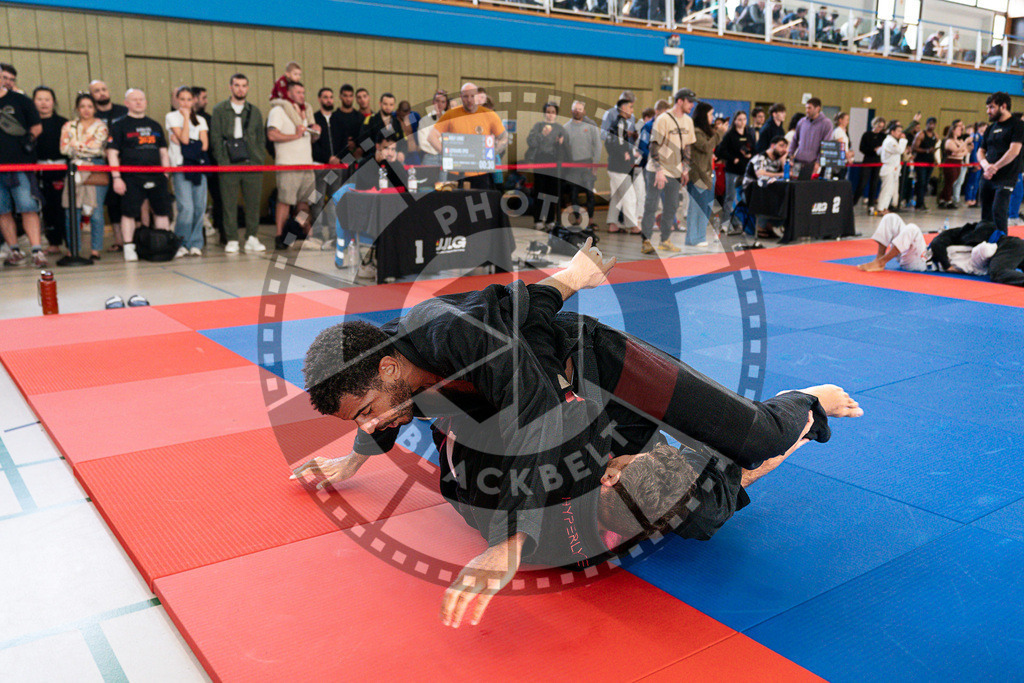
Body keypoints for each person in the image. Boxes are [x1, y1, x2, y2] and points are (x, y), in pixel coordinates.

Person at [293, 242, 851, 626]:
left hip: (592, 366)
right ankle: (642, 451)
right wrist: (354, 461)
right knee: (617, 486)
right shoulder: (385, 359)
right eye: (356, 422)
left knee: (752, 439)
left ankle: (807, 399)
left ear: (390, 368)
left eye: (366, 411)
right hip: (551, 395)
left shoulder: (450, 339)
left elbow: (543, 415)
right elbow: (503, 313)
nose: (372, 424)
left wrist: (510, 543)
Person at [106, 88, 172, 262]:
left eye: (141, 99)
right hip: (131, 177)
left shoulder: (155, 125)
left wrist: (166, 174)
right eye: (134, 99)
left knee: (162, 211)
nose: (138, 102)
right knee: (128, 212)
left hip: (157, 176)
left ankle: (162, 243)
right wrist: (116, 177)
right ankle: (129, 247)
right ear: (127, 103)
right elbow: (112, 154)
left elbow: (164, 152)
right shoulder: (119, 125)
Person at [209, 73, 267, 254]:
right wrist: (222, 159)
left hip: (252, 163)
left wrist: (258, 158)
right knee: (229, 203)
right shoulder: (219, 110)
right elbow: (215, 137)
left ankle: (252, 237)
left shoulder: (255, 111)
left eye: (244, 85)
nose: (240, 89)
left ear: (248, 88)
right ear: (230, 87)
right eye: (237, 85)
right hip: (228, 164)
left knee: (253, 203)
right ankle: (232, 238)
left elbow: (260, 138)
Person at [641, 88, 696, 254]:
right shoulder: (663, 119)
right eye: (689, 102)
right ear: (680, 101)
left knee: (671, 207)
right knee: (651, 205)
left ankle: (665, 240)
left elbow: (687, 146)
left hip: (676, 171)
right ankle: (646, 241)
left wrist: (685, 169)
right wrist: (658, 170)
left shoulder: (688, 121)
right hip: (657, 171)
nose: (692, 105)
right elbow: (653, 145)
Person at [0, 65, 45, 267]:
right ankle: (14, 251)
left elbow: (36, 126)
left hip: (19, 164)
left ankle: (37, 251)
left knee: (27, 206)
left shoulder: (20, 100)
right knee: (2, 209)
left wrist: (30, 139)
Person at [267, 81, 319, 250]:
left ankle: (300, 233)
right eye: (298, 92)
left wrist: (315, 132)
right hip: (288, 164)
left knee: (305, 202)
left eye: (303, 92)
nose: (302, 96)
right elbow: (272, 134)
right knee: (285, 201)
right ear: (288, 93)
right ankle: (280, 235)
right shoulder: (278, 111)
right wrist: (295, 135)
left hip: (306, 163)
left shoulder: (305, 113)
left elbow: (307, 137)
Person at [427, 82, 507, 191]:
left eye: (472, 96)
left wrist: (492, 153)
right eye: (465, 96)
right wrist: (446, 153)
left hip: (480, 172)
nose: (469, 100)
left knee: (479, 205)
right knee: (456, 205)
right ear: (461, 97)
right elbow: (432, 136)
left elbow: (504, 138)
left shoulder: (489, 115)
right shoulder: (451, 114)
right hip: (456, 172)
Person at [59, 93, 109, 260]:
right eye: (82, 106)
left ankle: (96, 249)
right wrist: (81, 146)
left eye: (90, 106)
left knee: (95, 211)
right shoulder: (69, 125)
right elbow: (64, 149)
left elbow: (97, 148)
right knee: (71, 210)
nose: (86, 110)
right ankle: (73, 248)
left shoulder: (102, 126)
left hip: (95, 166)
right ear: (77, 108)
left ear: (94, 108)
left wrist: (76, 145)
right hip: (74, 167)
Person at [166, 86, 209, 258]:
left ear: (194, 101)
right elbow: (184, 139)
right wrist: (185, 119)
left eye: (188, 99)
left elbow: (204, 145)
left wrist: (190, 145)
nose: (185, 102)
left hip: (198, 166)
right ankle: (181, 242)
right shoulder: (172, 117)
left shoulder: (201, 120)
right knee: (186, 208)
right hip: (180, 166)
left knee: (199, 207)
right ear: (176, 100)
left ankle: (195, 243)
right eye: (181, 99)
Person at [88, 79, 129, 252]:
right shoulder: (91, 115)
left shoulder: (123, 111)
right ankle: (119, 240)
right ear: (92, 95)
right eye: (97, 91)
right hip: (103, 163)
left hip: (126, 162)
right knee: (112, 203)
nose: (102, 93)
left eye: (104, 89)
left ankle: (133, 239)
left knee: (129, 200)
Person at [978, 92, 1024, 233]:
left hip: (1006, 177)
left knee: (999, 211)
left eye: (991, 107)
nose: (988, 111)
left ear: (1003, 106)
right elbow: (980, 151)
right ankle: (986, 241)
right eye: (987, 108)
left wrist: (995, 167)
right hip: (987, 177)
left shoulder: (1018, 125)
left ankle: (1002, 244)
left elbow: (1014, 151)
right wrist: (986, 166)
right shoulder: (990, 128)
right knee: (986, 214)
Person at [32, 86, 68, 256]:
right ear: (33, 102)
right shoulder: (30, 124)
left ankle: (70, 243)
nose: (44, 103)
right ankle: (53, 242)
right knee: (46, 208)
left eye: (47, 99)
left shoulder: (64, 123)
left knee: (64, 207)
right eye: (39, 99)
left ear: (53, 102)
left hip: (61, 170)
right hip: (39, 170)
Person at [687, 101, 724, 247]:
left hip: (708, 174)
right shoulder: (696, 132)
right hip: (698, 175)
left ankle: (700, 235)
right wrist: (720, 133)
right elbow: (706, 147)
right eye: (711, 114)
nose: (713, 117)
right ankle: (694, 237)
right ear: (704, 115)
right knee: (698, 206)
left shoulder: (705, 132)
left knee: (706, 207)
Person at [562, 100, 602, 229]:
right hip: (573, 166)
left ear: (584, 111)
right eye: (574, 109)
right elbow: (563, 148)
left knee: (590, 193)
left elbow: (597, 146)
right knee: (574, 194)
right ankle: (578, 220)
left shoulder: (591, 126)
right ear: (571, 110)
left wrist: (595, 165)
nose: (577, 111)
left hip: (587, 164)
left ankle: (590, 220)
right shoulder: (566, 127)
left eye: (579, 109)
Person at [604, 97, 641, 236]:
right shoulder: (621, 123)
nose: (632, 110)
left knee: (617, 196)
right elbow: (618, 142)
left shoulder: (616, 124)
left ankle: (613, 224)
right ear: (623, 108)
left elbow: (613, 141)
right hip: (619, 167)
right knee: (629, 196)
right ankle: (633, 226)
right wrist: (625, 153)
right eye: (630, 107)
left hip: (613, 166)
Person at [526, 102, 566, 230]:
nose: (550, 115)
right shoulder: (538, 126)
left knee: (552, 192)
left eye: (553, 112)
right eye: (548, 112)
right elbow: (530, 141)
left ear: (556, 114)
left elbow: (564, 147)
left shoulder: (560, 128)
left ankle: (550, 219)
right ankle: (538, 219)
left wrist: (560, 143)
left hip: (553, 162)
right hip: (540, 160)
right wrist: (541, 134)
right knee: (540, 191)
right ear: (544, 113)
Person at [191, 85, 223, 246]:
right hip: (192, 164)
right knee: (196, 202)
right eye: (203, 97)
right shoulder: (182, 117)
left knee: (218, 198)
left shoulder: (209, 118)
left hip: (211, 164)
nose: (206, 101)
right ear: (194, 98)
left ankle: (222, 231)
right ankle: (198, 235)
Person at [743, 135, 789, 238]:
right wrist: (779, 174)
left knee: (785, 199)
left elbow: (786, 174)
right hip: (750, 191)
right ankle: (760, 226)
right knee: (767, 199)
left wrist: (783, 161)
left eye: (785, 147)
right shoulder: (761, 157)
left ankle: (770, 225)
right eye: (781, 146)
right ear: (772, 145)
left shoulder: (778, 159)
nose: (784, 149)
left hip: (769, 190)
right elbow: (761, 174)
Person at [716, 110, 754, 226]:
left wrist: (749, 154)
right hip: (732, 170)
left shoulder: (748, 134)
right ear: (735, 121)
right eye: (740, 119)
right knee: (730, 197)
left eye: (744, 119)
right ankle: (725, 223)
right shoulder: (730, 135)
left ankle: (738, 221)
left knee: (742, 198)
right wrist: (733, 158)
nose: (742, 122)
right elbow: (720, 151)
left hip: (745, 170)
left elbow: (754, 148)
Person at [857, 212, 927, 272]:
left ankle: (881, 262)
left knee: (912, 228)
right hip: (911, 255)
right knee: (891, 218)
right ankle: (879, 258)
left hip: (923, 261)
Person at [789, 97, 832, 179]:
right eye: (806, 108)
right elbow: (795, 140)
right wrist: (790, 155)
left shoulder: (826, 123)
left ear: (817, 108)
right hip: (798, 160)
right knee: (795, 185)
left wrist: (818, 162)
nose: (807, 111)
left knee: (808, 187)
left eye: (809, 108)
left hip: (812, 162)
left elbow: (826, 144)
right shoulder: (802, 122)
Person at [853, 117, 886, 211]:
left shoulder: (883, 136)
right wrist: (873, 150)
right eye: (878, 126)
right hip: (868, 160)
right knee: (862, 183)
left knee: (874, 183)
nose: (879, 129)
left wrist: (879, 150)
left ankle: (871, 204)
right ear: (874, 124)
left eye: (881, 127)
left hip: (877, 161)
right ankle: (853, 202)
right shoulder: (867, 135)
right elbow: (862, 148)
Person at [875, 121, 907, 215]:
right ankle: (880, 208)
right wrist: (903, 140)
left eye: (901, 131)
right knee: (886, 189)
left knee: (890, 190)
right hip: (888, 168)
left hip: (894, 169)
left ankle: (885, 207)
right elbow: (900, 150)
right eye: (898, 131)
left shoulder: (893, 141)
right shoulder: (889, 141)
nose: (900, 133)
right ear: (892, 132)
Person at [417, 89, 450, 170]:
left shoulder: (450, 120)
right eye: (437, 101)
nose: (440, 104)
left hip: (446, 157)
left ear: (446, 104)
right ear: (433, 102)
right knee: (429, 182)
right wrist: (439, 149)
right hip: (430, 157)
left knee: (445, 183)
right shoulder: (424, 121)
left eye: (443, 102)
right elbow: (422, 143)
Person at [939, 120, 968, 209]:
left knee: (954, 181)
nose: (960, 131)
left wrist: (960, 151)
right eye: (959, 129)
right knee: (949, 181)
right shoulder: (949, 141)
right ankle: (947, 200)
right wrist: (964, 145)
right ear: (953, 130)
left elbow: (965, 151)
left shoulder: (958, 141)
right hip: (951, 162)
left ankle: (943, 198)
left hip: (958, 162)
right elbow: (956, 150)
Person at [910, 117, 938, 211]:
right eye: (930, 123)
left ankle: (922, 202)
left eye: (933, 124)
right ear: (926, 124)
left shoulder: (935, 136)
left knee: (925, 183)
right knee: (921, 182)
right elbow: (914, 148)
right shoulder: (921, 134)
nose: (931, 125)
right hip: (920, 161)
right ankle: (918, 204)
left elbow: (935, 149)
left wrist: (935, 159)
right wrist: (926, 150)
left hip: (929, 161)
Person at [335, 85, 365, 162]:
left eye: (350, 96)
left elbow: (366, 137)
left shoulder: (360, 117)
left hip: (356, 156)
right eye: (345, 96)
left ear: (353, 97)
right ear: (340, 96)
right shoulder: (334, 117)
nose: (348, 99)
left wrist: (359, 148)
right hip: (338, 157)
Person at [965, 122, 986, 207]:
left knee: (976, 182)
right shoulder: (975, 136)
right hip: (976, 162)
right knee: (972, 182)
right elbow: (974, 151)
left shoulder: (981, 136)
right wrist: (974, 163)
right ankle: (969, 199)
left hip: (980, 162)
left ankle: (974, 199)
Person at [830, 111, 850, 180]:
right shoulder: (838, 131)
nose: (847, 122)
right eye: (846, 120)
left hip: (842, 161)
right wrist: (848, 157)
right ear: (840, 120)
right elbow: (841, 146)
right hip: (839, 162)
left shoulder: (843, 131)